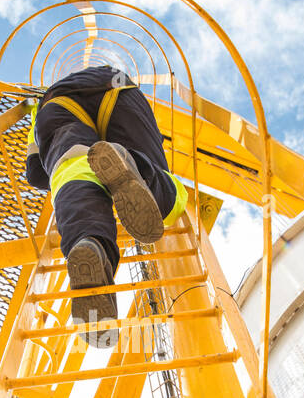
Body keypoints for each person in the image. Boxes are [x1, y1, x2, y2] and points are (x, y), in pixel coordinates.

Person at [25, 65, 188, 345]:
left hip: (57, 104)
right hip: (117, 87)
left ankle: (90, 242)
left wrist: (57, 164)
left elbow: (34, 171)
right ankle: (131, 162)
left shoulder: (38, 105)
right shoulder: (101, 72)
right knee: (167, 198)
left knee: (72, 171)